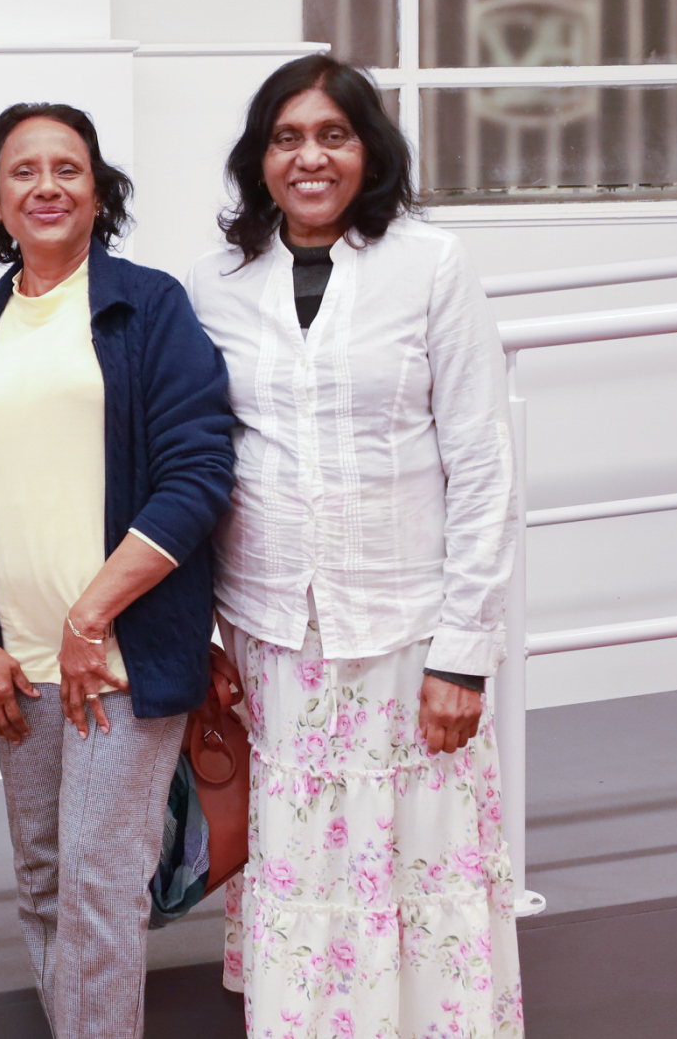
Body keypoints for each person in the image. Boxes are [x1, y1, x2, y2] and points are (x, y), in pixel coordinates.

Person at [185, 54, 524, 1038]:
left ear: (367, 149)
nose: (308, 157)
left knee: (416, 864)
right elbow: (202, 461)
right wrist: (200, 636)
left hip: (405, 633)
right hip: (270, 635)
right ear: (258, 159)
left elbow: (479, 460)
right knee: (304, 870)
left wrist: (464, 650)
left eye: (331, 135)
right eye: (286, 138)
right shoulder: (214, 284)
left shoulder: (429, 264)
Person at [0, 104, 236, 1038]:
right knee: (46, 880)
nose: (47, 185)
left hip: (121, 662)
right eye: (24, 170)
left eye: (69, 167)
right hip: (15, 668)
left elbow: (197, 473)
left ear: (100, 192)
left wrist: (92, 616)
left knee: (99, 883)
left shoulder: (149, 307)